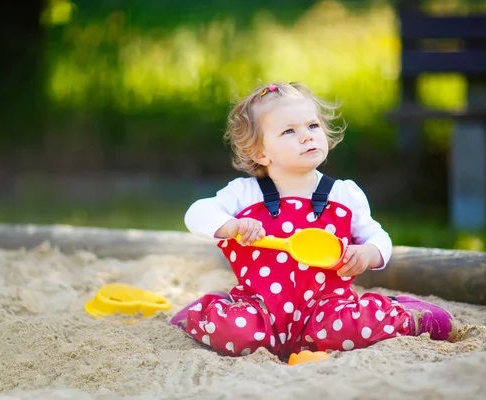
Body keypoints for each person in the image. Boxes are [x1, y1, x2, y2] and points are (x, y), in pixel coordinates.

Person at [170, 82, 457, 360]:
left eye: (312, 126)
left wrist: (368, 253)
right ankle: (208, 310)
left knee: (351, 329)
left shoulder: (343, 194)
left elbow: (378, 237)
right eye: (289, 131)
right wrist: (230, 226)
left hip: (328, 308)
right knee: (238, 335)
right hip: (260, 310)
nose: (306, 136)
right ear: (261, 152)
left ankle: (406, 314)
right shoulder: (244, 193)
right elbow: (196, 213)